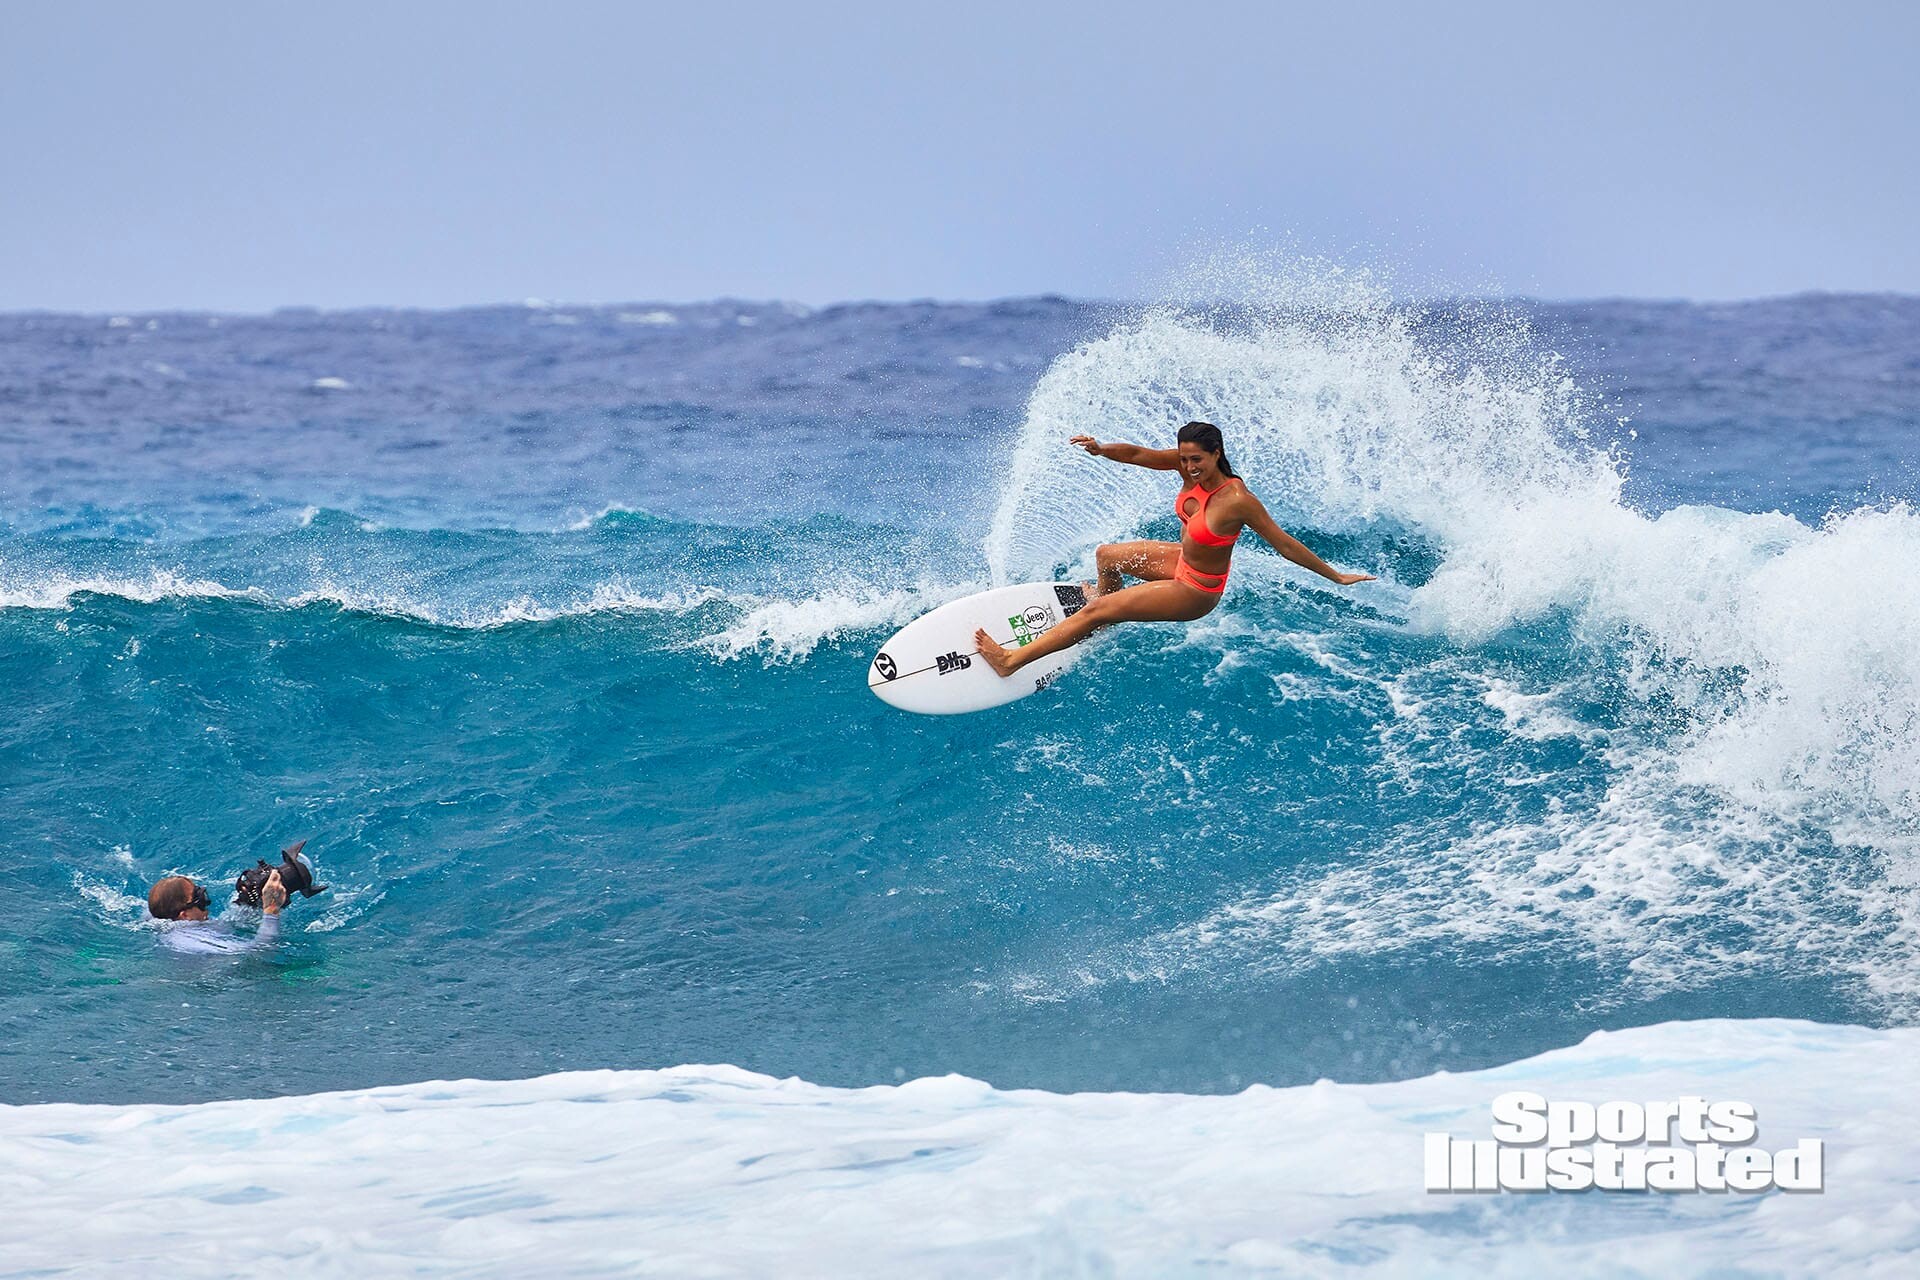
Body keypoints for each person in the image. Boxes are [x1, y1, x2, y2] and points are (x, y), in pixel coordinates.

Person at [974, 421, 1375, 678]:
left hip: (1195, 591)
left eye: (1197, 459)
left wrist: (1336, 577)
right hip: (1181, 561)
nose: (1190, 466)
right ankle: (1107, 610)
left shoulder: (1237, 501)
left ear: (1217, 453)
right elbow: (1138, 455)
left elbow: (1284, 544)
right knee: (1106, 556)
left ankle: (1011, 661)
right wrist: (1101, 449)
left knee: (1095, 610)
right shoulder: (1186, 466)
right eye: (1184, 458)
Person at [148, 869, 288, 953]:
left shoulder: (190, 924)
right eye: (198, 897)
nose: (204, 899)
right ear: (184, 915)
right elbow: (261, 952)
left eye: (199, 891)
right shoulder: (190, 942)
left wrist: (248, 901)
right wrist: (271, 909)